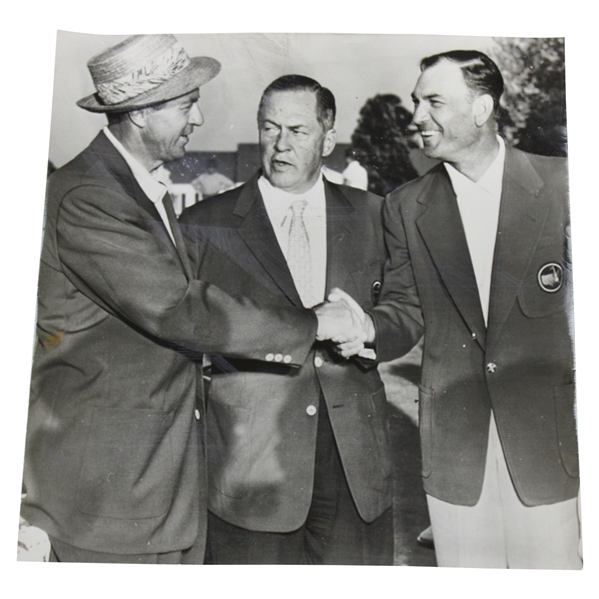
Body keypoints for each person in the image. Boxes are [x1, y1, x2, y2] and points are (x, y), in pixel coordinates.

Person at [20, 35, 331, 564]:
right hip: (109, 499)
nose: (200, 119)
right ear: (141, 114)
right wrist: (312, 324)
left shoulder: (137, 189)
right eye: (187, 105)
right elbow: (179, 309)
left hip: (157, 486)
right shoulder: (91, 197)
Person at [327, 50, 581, 569]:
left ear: (482, 109)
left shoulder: (567, 186)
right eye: (417, 101)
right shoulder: (406, 205)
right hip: (456, 454)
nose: (417, 115)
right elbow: (405, 309)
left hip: (549, 445)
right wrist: (367, 329)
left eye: (434, 101)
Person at [179, 75, 393, 565]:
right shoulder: (203, 225)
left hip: (355, 468)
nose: (280, 144)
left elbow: (403, 315)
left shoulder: (373, 217)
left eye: (297, 130)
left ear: (328, 138)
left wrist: (370, 333)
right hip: (251, 472)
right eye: (270, 128)